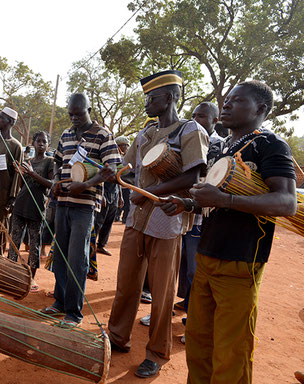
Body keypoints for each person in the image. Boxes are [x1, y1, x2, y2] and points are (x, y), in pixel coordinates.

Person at [158, 81, 297, 384]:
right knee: (198, 342)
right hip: (206, 257)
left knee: (230, 351)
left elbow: (287, 202)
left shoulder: (271, 145)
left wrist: (226, 199)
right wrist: (187, 203)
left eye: (238, 101)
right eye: (227, 99)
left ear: (261, 109)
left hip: (241, 262)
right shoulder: (221, 147)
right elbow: (213, 203)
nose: (227, 105)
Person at [107, 70, 209, 378]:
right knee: (127, 283)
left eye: (152, 98)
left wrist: (149, 194)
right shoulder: (145, 132)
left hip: (167, 222)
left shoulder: (190, 130)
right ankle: (117, 336)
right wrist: (114, 173)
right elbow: (128, 166)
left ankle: (157, 352)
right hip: (136, 219)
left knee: (163, 291)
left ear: (170, 98)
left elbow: (193, 176)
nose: (147, 103)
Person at [40, 93, 122, 327]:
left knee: (77, 258)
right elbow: (57, 160)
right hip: (62, 202)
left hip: (85, 206)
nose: (74, 118)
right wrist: (56, 180)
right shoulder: (66, 134)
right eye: (71, 114)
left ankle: (74, 313)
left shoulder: (103, 135)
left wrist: (85, 185)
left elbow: (112, 169)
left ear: (89, 109)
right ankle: (60, 302)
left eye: (79, 113)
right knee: (61, 254)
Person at [176, 102, 223, 316]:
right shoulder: (186, 140)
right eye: (194, 115)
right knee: (183, 267)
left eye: (202, 116)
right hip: (182, 213)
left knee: (196, 270)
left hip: (201, 218)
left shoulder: (220, 147)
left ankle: (194, 317)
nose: (196, 120)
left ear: (215, 120)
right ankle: (187, 303)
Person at [7, 131, 54, 291]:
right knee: (14, 241)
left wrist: (31, 173)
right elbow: (21, 185)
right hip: (21, 205)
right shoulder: (28, 161)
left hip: (37, 208)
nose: (41, 144)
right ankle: (11, 274)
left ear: (48, 144)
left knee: (34, 243)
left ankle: (31, 278)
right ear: (33, 143)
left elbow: (51, 184)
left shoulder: (50, 162)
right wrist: (20, 173)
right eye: (38, 141)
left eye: (44, 141)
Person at [0, 107, 23, 255]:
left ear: (10, 122)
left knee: (0, 229)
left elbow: (17, 174)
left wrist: (12, 198)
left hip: (2, 195)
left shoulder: (16, 146)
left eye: (1, 118)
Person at [114, 136, 132, 223]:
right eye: (123, 145)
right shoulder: (116, 158)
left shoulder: (128, 158)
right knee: (119, 203)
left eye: (127, 146)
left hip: (127, 186)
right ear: (118, 146)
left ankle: (125, 219)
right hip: (118, 185)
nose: (126, 148)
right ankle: (116, 216)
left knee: (128, 204)